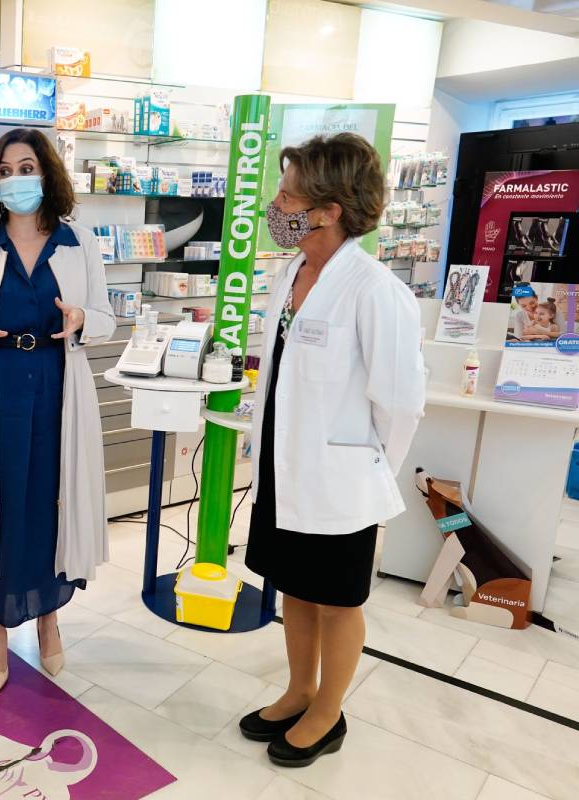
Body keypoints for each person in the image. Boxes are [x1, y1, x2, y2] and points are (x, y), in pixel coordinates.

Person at [238, 133, 426, 768]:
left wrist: (369, 472)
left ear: (329, 208)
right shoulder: (291, 273)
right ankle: (299, 690)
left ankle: (329, 712)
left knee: (338, 600)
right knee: (294, 587)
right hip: (284, 468)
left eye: (288, 194)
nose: (276, 203)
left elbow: (400, 402)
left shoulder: (374, 290)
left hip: (341, 477)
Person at [0, 128, 114, 691]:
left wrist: (83, 319)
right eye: (6, 171)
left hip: (58, 387)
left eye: (27, 167)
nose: (17, 179)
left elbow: (106, 317)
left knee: (49, 502)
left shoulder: (78, 243)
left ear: (48, 173)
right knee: (1, 504)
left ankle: (49, 618)